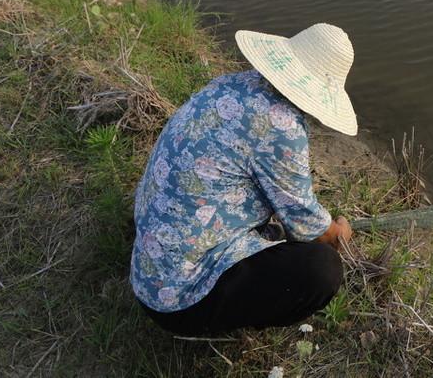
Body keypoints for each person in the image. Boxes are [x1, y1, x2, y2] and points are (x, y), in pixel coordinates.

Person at [131, 23, 359, 336]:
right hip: (180, 300)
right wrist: (339, 233)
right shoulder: (283, 128)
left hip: (150, 268)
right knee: (321, 270)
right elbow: (311, 229)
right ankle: (208, 323)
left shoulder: (230, 85)